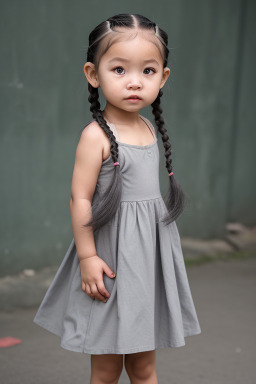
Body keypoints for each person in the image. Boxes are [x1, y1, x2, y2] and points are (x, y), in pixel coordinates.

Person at [33, 13, 202, 384]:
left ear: (163, 77)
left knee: (143, 367)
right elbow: (80, 198)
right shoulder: (96, 137)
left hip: (147, 259)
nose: (134, 83)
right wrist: (88, 257)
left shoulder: (147, 128)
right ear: (94, 74)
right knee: (108, 367)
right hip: (110, 256)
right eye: (120, 70)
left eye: (147, 71)